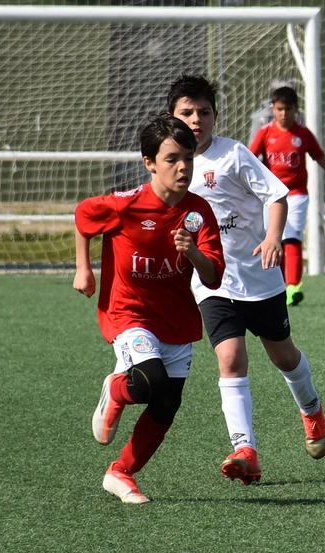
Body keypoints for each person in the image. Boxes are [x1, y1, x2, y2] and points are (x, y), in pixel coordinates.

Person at [167, 73, 325, 485]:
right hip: (212, 282)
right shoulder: (168, 165)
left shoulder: (233, 155)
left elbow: (277, 195)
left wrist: (274, 236)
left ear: (215, 116)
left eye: (204, 112)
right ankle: (245, 449)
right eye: (187, 112)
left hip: (258, 278)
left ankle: (311, 408)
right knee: (230, 358)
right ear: (172, 117)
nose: (196, 119)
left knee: (283, 356)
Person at [73, 115, 225, 504]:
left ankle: (120, 473)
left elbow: (213, 278)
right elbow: (84, 216)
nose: (183, 167)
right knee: (148, 380)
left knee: (167, 403)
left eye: (188, 158)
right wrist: (83, 268)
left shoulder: (198, 213)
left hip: (175, 319)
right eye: (172, 159)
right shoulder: (126, 205)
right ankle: (116, 388)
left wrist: (193, 252)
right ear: (149, 163)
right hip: (129, 313)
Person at [249, 86, 325, 306]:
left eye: (288, 109)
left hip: (296, 196)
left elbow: (321, 159)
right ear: (273, 109)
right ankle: (278, 286)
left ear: (296, 109)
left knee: (292, 238)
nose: (284, 114)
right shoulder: (265, 132)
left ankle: (293, 287)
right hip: (271, 197)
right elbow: (249, 159)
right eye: (279, 109)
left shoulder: (303, 134)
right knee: (273, 240)